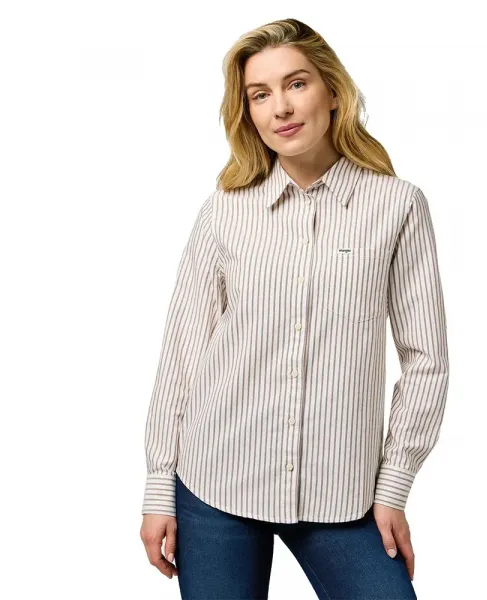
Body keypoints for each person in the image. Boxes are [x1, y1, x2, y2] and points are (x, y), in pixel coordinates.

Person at [139, 17, 449, 600]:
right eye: (260, 94)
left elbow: (425, 359)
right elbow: (183, 351)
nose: (280, 106)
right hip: (216, 482)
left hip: (341, 492)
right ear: (248, 112)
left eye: (296, 84)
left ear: (332, 91)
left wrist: (394, 485)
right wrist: (160, 484)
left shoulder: (398, 206)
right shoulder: (224, 211)